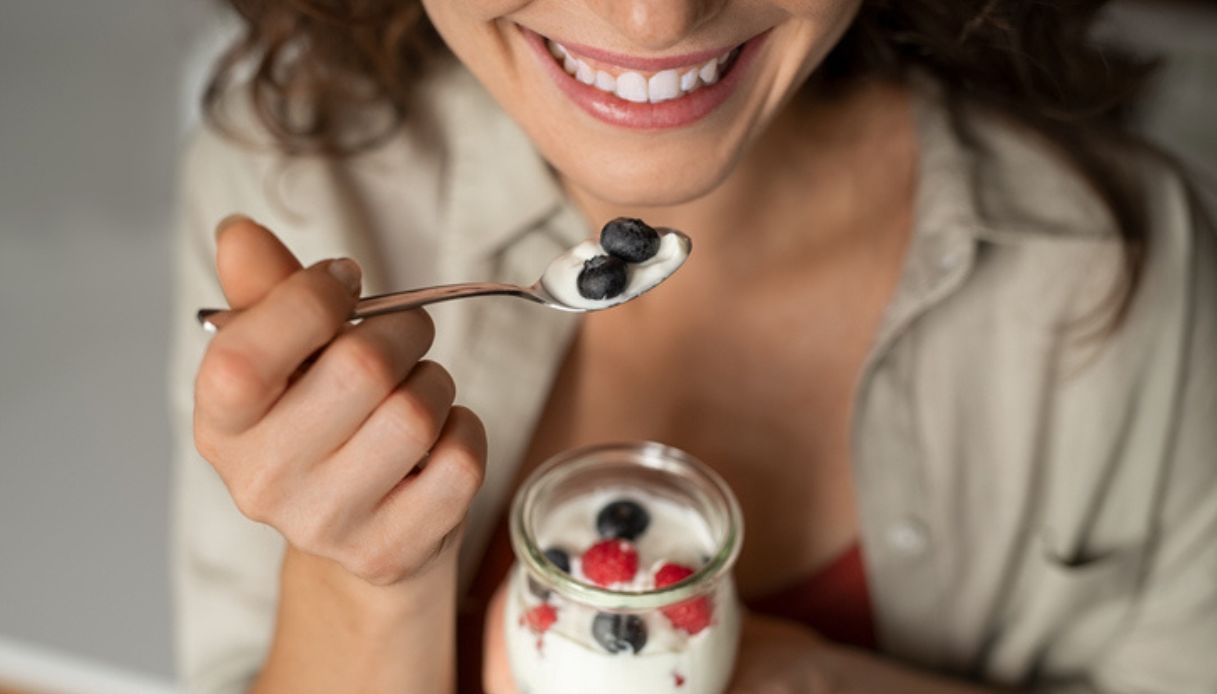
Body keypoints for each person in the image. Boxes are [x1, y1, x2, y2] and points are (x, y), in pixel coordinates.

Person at [170, 1, 1217, 692]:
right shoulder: (294, 187)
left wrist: (804, 683)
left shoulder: (1127, 265)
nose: (651, 16)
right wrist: (362, 574)